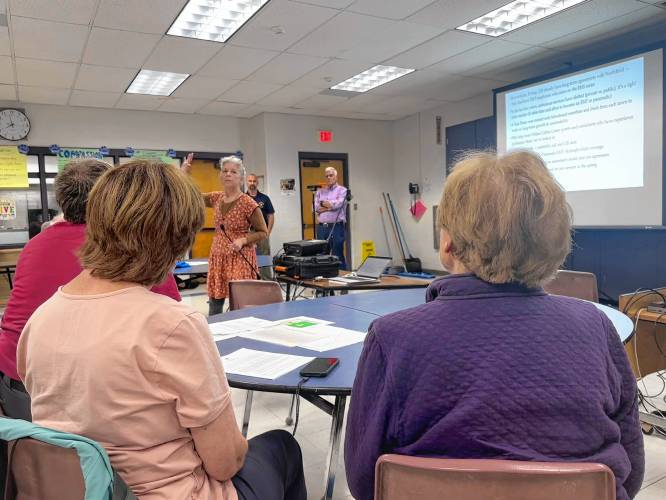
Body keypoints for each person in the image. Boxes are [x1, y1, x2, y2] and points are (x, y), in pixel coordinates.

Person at [344, 151, 644, 500]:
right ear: (554, 241)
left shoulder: (391, 339)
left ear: (448, 243)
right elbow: (631, 471)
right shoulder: (596, 326)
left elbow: (365, 483)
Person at [17, 160, 306, 500]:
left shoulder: (42, 317)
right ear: (173, 239)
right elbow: (226, 463)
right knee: (282, 446)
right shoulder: (172, 324)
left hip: (84, 490)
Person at [0, 159, 180, 421]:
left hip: (20, 385)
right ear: (113, 198)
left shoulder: (34, 246)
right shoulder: (128, 245)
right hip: (99, 390)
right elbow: (172, 320)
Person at [182, 154, 268, 316]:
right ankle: (215, 334)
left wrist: (244, 239)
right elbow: (191, 195)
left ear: (241, 178)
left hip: (239, 256)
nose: (228, 174)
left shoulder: (248, 203)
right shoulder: (216, 198)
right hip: (218, 255)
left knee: (240, 303)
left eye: (233, 172)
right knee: (215, 301)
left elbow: (263, 232)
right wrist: (184, 173)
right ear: (220, 175)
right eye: (225, 171)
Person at [315, 166, 347, 269]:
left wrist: (325, 205)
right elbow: (315, 208)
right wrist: (329, 207)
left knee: (337, 253)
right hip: (322, 228)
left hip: (336, 226)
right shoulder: (320, 191)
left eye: (331, 175)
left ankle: (341, 277)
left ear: (336, 176)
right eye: (327, 176)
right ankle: (324, 276)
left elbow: (338, 205)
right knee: (321, 254)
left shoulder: (342, 190)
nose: (329, 178)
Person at [246, 173, 275, 280]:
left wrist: (268, 232)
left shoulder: (264, 198)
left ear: (257, 183)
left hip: (262, 232)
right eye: (250, 181)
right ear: (246, 182)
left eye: (254, 181)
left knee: (264, 256)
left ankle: (267, 280)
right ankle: (250, 279)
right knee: (248, 256)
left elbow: (271, 216)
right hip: (248, 233)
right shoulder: (243, 198)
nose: (252, 183)